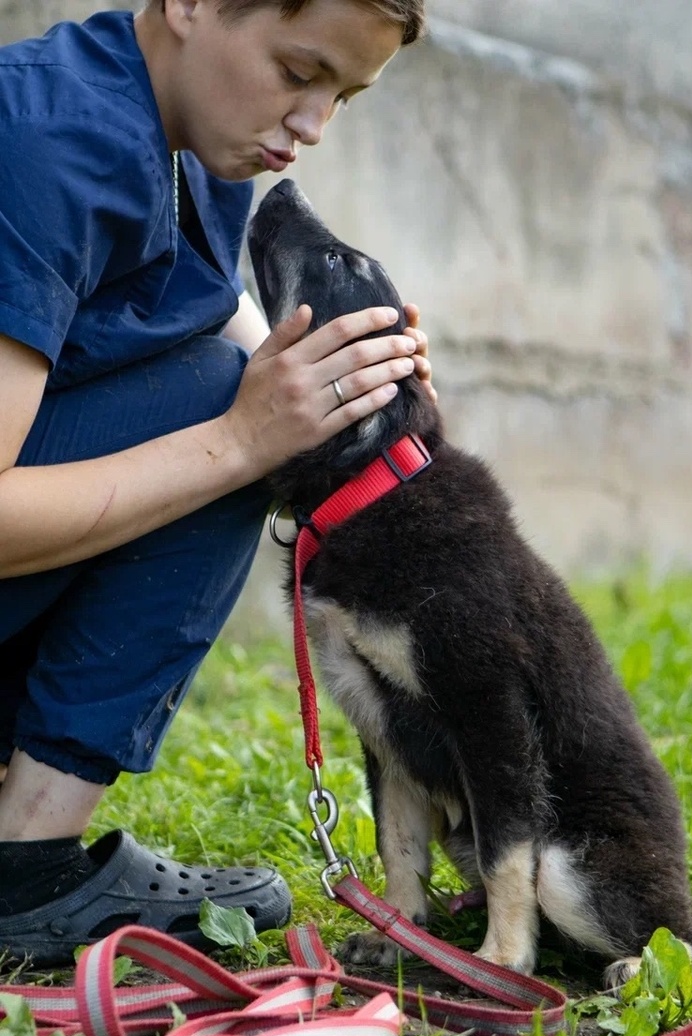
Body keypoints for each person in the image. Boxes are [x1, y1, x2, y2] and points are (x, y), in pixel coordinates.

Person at [0, 0, 433, 966]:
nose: (313, 125)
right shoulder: (43, 145)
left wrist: (358, 384)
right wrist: (243, 441)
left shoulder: (190, 144)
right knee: (227, 410)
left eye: (344, 96)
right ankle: (20, 866)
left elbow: (252, 349)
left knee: (254, 402)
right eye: (297, 71)